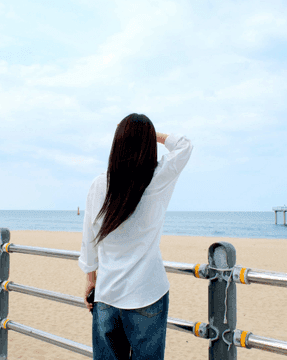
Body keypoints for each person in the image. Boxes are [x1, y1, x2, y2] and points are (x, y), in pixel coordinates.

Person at [78, 113, 193, 360]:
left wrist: (90, 278)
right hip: (147, 293)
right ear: (148, 143)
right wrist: (154, 135)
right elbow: (184, 144)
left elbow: (89, 238)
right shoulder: (158, 178)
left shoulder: (99, 184)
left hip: (107, 294)